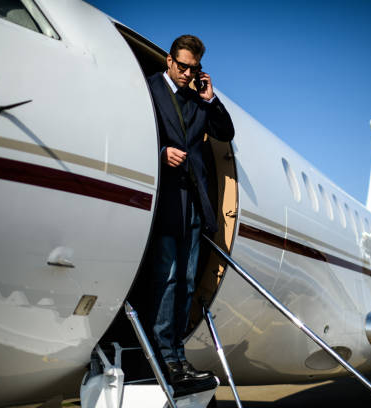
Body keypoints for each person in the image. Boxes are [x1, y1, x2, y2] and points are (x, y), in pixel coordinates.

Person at [146, 34, 234, 384]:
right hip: (165, 196)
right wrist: (160, 152)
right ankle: (163, 354)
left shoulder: (198, 99)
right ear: (169, 60)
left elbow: (225, 133)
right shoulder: (149, 90)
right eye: (181, 66)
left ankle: (177, 354)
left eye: (193, 68)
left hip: (194, 202)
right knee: (167, 278)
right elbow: (135, 131)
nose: (186, 73)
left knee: (185, 280)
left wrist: (211, 99)